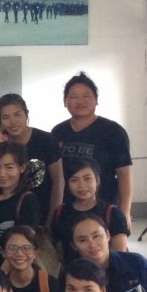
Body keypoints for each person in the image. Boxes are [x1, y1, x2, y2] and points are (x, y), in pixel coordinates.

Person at [51, 73, 134, 220]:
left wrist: (125, 212)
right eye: (73, 96)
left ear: (96, 100)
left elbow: (124, 174)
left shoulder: (113, 131)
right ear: (65, 101)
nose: (80, 101)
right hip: (67, 208)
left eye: (86, 96)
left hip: (102, 209)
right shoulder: (58, 131)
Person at [0, 93, 63, 224]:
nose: (12, 122)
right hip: (9, 216)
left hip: (43, 214)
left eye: (17, 115)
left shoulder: (46, 140)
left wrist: (51, 221)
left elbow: (58, 182)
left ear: (26, 114)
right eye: (6, 117)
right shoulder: (0, 145)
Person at [50, 157, 129, 264]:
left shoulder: (113, 213)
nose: (81, 185)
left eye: (87, 178)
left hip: (106, 272)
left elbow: (120, 256)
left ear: (97, 180)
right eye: (74, 180)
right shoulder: (61, 213)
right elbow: (58, 251)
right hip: (72, 271)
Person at [0, 142, 41, 266]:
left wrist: (1, 275)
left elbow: (23, 246)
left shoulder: (27, 200)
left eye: (9, 167)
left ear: (22, 167)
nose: (2, 173)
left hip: (13, 271)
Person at [0, 225, 61, 292]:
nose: (19, 253)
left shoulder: (50, 285)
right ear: (3, 252)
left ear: (35, 253)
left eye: (26, 248)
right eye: (12, 248)